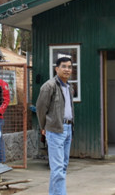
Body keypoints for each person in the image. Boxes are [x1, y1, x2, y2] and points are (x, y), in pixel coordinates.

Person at [36, 57, 75, 195]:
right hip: (55, 130)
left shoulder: (69, 87)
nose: (67, 69)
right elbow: (40, 108)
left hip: (68, 129)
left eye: (70, 67)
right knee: (58, 167)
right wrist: (43, 127)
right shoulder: (49, 86)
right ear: (56, 68)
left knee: (62, 166)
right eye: (64, 66)